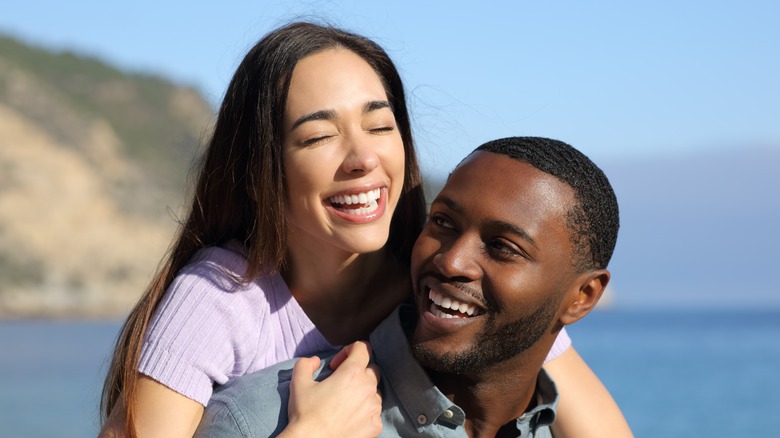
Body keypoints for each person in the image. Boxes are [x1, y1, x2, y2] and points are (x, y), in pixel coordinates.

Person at [99, 21, 628, 438]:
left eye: (379, 125)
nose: (363, 158)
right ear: (260, 171)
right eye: (318, 136)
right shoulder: (221, 296)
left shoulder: (444, 274)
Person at [194, 136, 631, 437]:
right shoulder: (265, 418)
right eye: (442, 222)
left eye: (502, 247)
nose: (451, 261)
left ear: (582, 297)